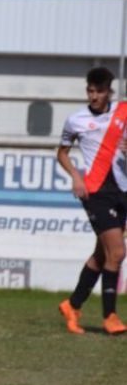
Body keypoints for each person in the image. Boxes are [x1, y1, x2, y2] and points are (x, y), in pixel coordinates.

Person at [57, 66, 127, 336]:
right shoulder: (76, 120)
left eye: (99, 91)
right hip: (95, 191)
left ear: (109, 91)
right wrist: (76, 176)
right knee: (118, 253)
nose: (94, 96)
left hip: (121, 190)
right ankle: (110, 316)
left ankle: (72, 305)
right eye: (90, 90)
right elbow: (62, 153)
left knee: (101, 257)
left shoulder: (123, 112)